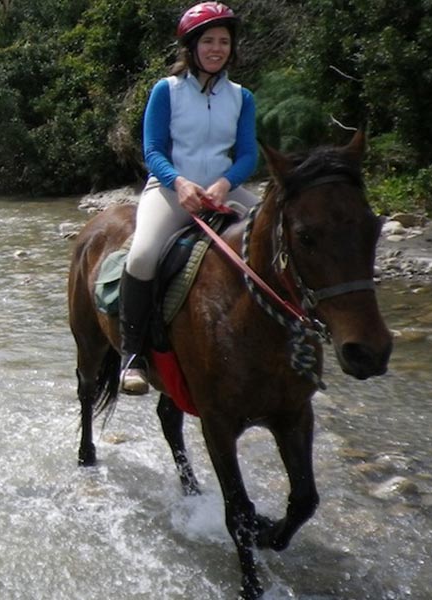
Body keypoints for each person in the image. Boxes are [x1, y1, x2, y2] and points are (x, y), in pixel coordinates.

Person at [118, 2, 259, 395]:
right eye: (209, 41)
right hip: (170, 189)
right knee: (143, 254)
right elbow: (153, 150)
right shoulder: (167, 90)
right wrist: (179, 183)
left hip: (222, 190)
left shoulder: (241, 97)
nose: (217, 49)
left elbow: (248, 153)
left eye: (224, 42)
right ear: (192, 46)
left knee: (280, 235)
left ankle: (295, 340)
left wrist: (224, 183)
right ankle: (132, 356)